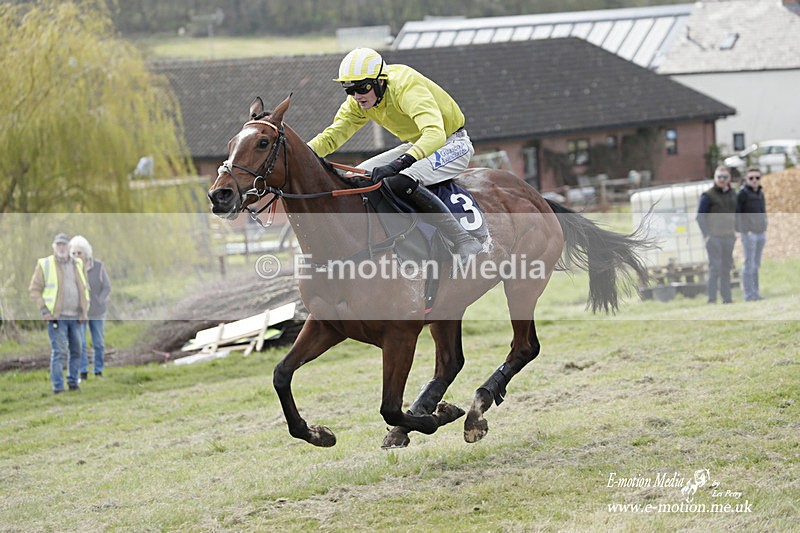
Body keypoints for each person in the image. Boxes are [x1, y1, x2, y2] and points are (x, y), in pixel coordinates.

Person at [307, 47, 484, 263]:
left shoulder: (405, 85)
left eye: (362, 88)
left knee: (401, 180)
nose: (356, 96)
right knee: (357, 179)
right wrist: (298, 153)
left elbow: (435, 133)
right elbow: (331, 137)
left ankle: (463, 239)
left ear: (380, 81)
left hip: (452, 143)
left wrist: (398, 164)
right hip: (420, 143)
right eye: (349, 89)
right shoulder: (358, 103)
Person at [29, 233, 90, 393]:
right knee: (59, 352)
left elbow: (84, 288)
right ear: (54, 247)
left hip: (76, 317)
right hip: (57, 318)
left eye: (64, 244)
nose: (62, 248)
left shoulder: (77, 264)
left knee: (77, 350)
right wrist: (44, 310)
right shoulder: (45, 264)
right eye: (59, 245)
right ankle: (58, 387)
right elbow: (34, 289)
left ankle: (73, 383)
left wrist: (84, 311)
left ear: (69, 246)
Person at [70, 235, 111, 378]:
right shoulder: (71, 269)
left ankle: (98, 370)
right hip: (79, 312)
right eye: (73, 253)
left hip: (96, 312)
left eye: (79, 253)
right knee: (80, 342)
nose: (76, 256)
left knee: (98, 342)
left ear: (86, 253)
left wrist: (99, 300)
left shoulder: (98, 267)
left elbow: (106, 287)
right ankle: (83, 371)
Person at [696, 166, 737, 304]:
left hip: (729, 237)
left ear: (729, 179)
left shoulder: (732, 194)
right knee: (715, 268)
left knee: (726, 268)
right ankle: (712, 298)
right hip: (714, 238)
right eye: (719, 176)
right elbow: (700, 217)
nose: (722, 180)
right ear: (715, 178)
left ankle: (727, 298)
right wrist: (707, 236)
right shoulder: (708, 196)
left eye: (724, 177)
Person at [736, 167, 767, 301]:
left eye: (757, 178)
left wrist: (765, 224)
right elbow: (736, 214)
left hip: (760, 233)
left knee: (756, 264)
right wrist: (743, 231)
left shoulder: (760, 193)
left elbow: (763, 211)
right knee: (749, 264)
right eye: (751, 178)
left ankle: (756, 292)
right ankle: (748, 294)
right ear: (746, 179)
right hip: (749, 234)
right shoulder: (742, 194)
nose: (754, 180)